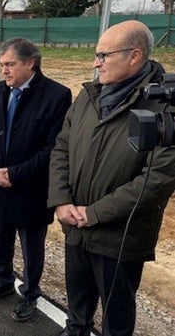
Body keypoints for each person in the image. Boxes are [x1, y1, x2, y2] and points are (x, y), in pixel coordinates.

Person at [48, 20, 175, 336]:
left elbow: (156, 180)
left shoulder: (166, 107)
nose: (95, 63)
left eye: (104, 55)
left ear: (134, 56)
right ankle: (75, 329)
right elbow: (62, 148)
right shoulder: (90, 95)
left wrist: (93, 214)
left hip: (120, 234)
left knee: (116, 314)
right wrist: (62, 201)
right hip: (75, 224)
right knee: (78, 298)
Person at [0, 38, 72, 322]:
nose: (3, 70)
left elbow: (53, 148)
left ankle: (29, 293)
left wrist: (14, 174)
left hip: (30, 189)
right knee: (0, 238)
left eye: (9, 64)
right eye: (1, 64)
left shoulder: (56, 95)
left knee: (31, 245)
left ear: (30, 63)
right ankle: (3, 280)